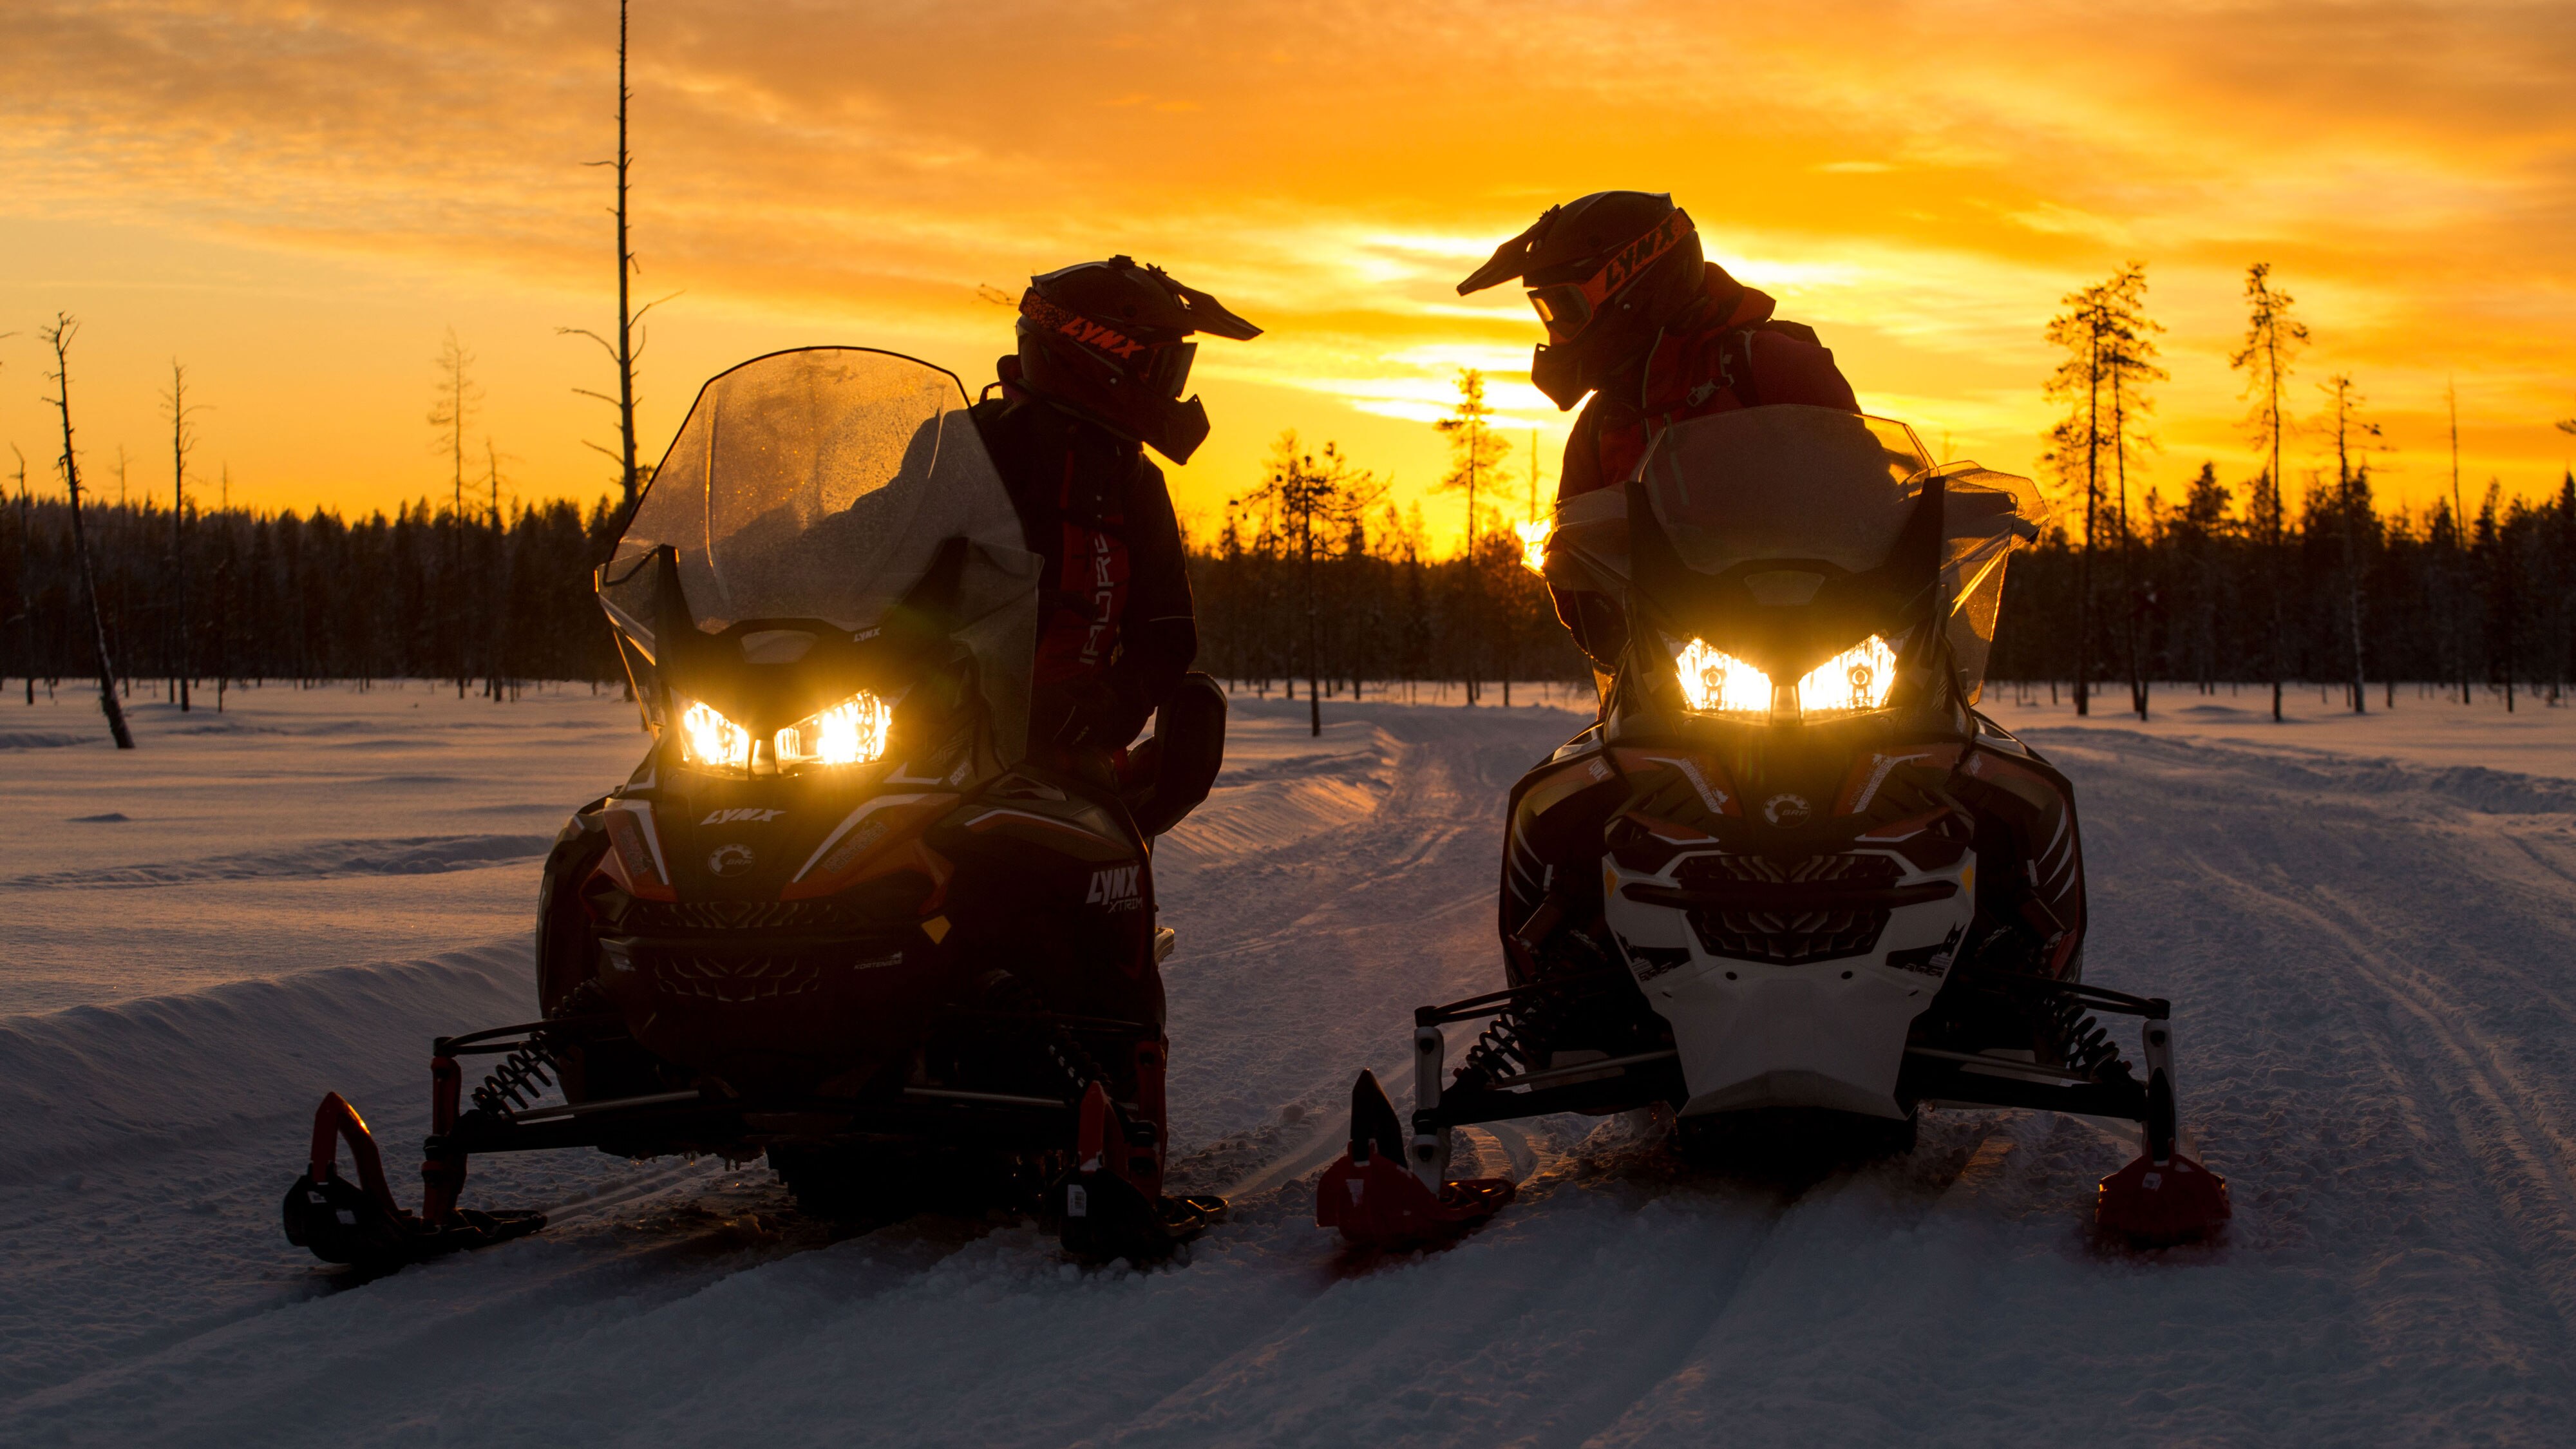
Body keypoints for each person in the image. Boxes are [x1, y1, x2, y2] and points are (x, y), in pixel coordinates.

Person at [1457, 192, 1859, 678]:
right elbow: (1570, 557)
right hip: (1672, 678)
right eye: (1549, 314)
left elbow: (1871, 500)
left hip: (1825, 653)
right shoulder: (1599, 426)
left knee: (1940, 744)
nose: (1559, 333)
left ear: (1632, 286)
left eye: (1566, 309)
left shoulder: (1768, 366)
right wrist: (1603, 623)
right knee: (1598, 756)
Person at [971, 256, 1260, 776]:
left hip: (1066, 758)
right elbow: (871, 541)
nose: (1169, 390)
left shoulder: (1134, 480)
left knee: (1093, 849)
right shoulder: (971, 446)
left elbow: (1168, 634)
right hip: (934, 733)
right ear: (1097, 357)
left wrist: (1102, 714)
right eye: (1158, 369)